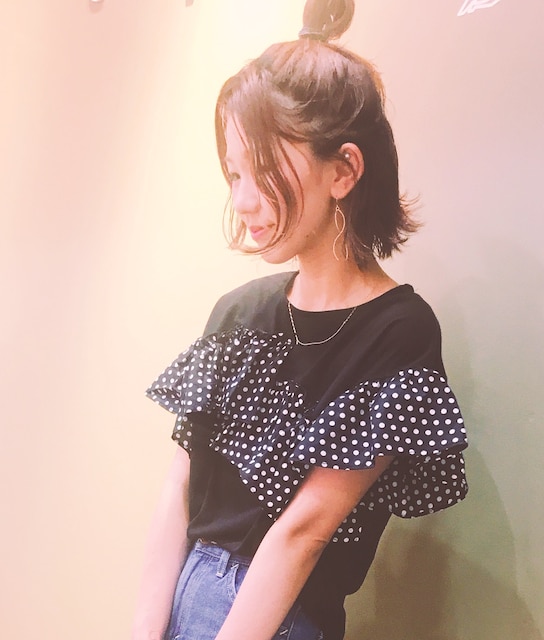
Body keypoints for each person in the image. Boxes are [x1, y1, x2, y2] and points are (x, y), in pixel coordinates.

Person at [132, 1, 468, 638]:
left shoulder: (398, 331)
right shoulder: (239, 313)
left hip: (276, 617)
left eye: (262, 171)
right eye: (234, 173)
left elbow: (304, 532)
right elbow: (179, 487)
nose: (242, 200)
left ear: (343, 170)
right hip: (186, 590)